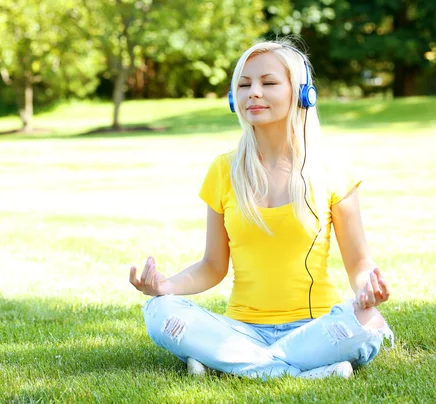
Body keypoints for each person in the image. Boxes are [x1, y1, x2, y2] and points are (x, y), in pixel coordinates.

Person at [128, 39, 393, 379]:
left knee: (367, 321)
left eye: (268, 83)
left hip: (315, 328)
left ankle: (230, 363)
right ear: (232, 98)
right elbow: (212, 266)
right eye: (243, 84)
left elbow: (358, 262)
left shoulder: (331, 169)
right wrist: (165, 286)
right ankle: (299, 370)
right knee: (158, 311)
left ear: (302, 93)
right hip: (242, 329)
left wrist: (367, 288)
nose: (253, 92)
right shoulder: (223, 170)